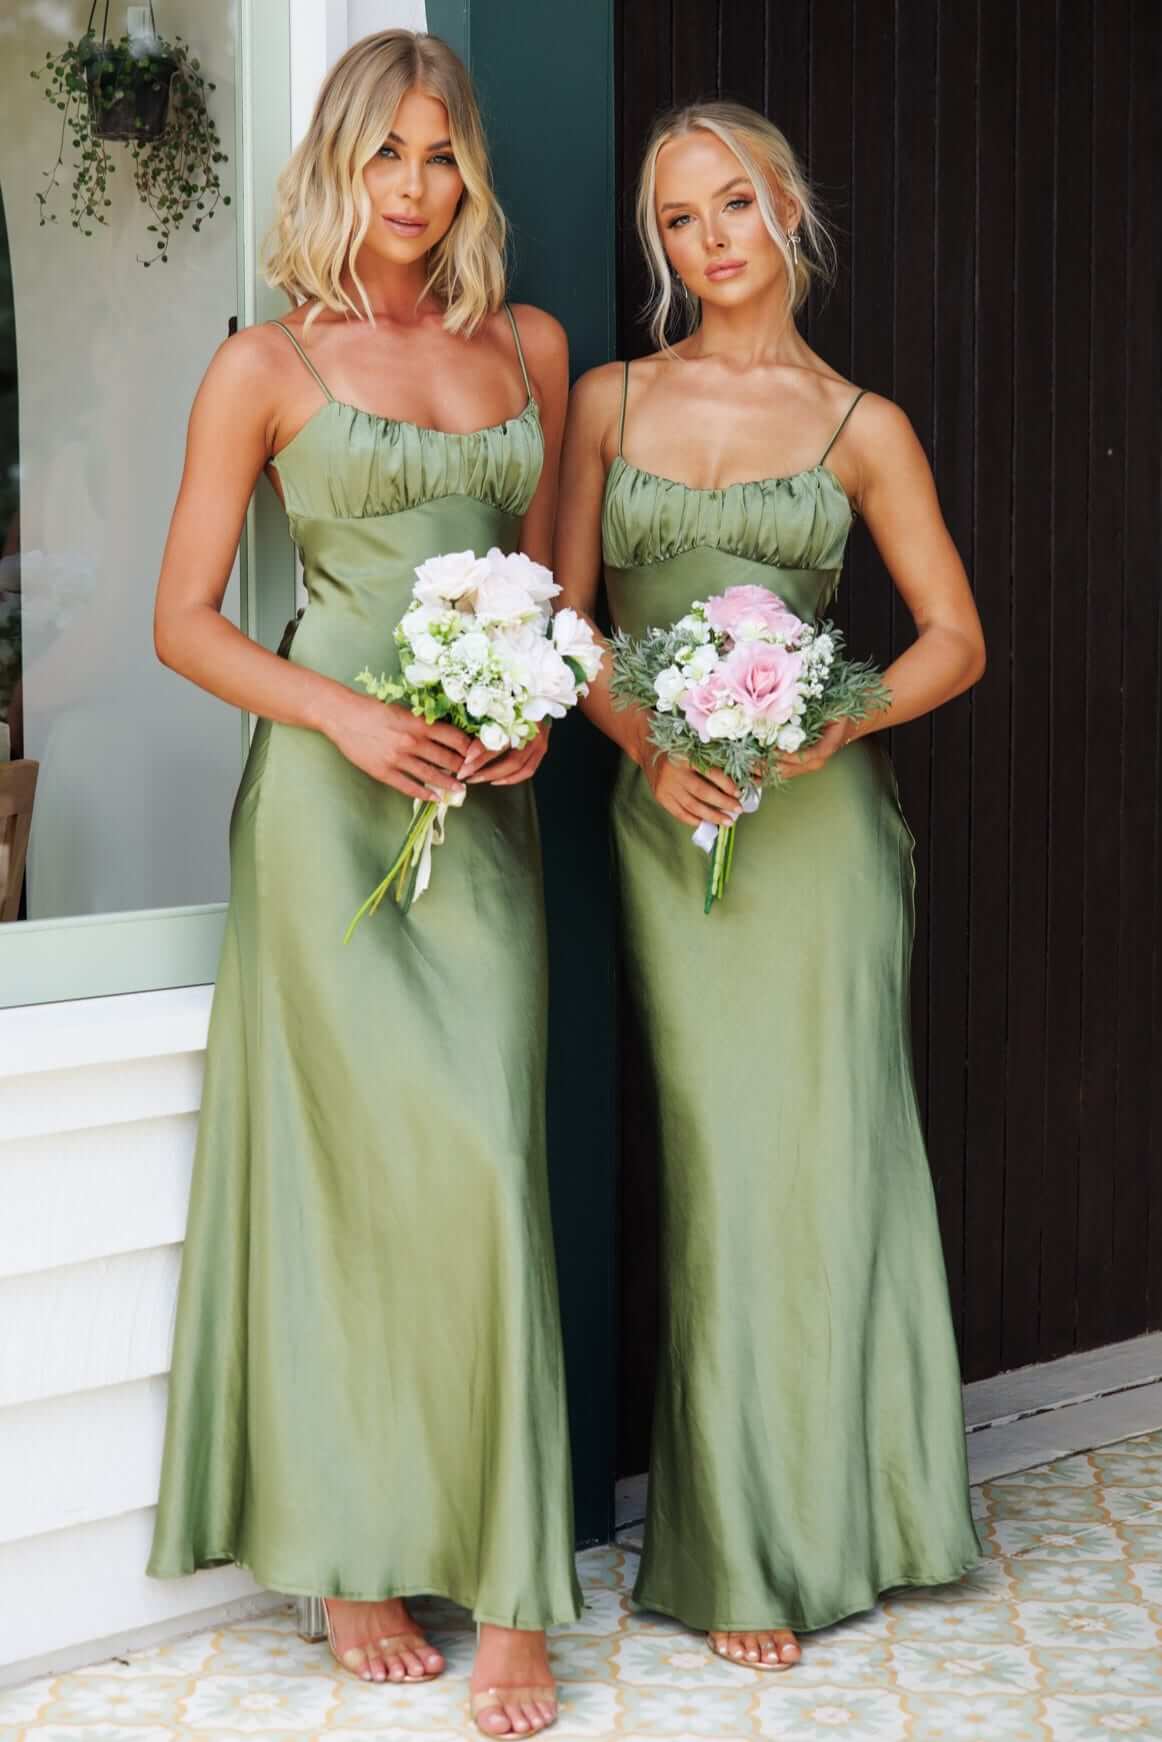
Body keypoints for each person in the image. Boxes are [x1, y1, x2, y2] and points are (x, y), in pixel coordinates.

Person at [148, 30, 577, 1739]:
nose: (414, 186)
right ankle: (352, 1562)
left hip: (482, 806)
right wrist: (338, 713)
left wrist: (535, 714)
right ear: (336, 164)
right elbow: (182, 621)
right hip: (326, 810)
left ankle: (516, 1580)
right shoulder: (262, 363)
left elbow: (546, 589)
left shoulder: (527, 348)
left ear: (470, 172)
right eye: (385, 153)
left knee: (485, 1159)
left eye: (441, 153)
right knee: (342, 1176)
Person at [556, 99, 985, 1671]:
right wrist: (641, 745)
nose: (709, 239)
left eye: (731, 203)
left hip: (818, 828)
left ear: (786, 208)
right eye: (677, 219)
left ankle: (871, 1511)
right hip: (673, 819)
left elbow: (953, 636)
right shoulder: (605, 399)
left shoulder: (859, 422)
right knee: (725, 1162)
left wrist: (829, 724)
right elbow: (565, 617)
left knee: (835, 1151)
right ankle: (739, 1539)